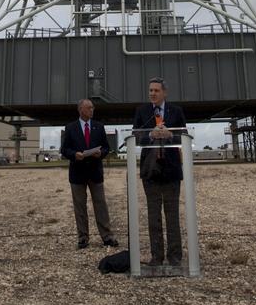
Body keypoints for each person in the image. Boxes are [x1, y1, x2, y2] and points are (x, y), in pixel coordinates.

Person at [131, 77, 187, 267]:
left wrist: (171, 134)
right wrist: (150, 134)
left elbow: (184, 134)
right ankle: (157, 256)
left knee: (172, 216)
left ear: (164, 93)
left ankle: (175, 256)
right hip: (151, 170)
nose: (152, 93)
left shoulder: (176, 111)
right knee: (153, 216)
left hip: (171, 170)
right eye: (150, 91)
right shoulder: (142, 112)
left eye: (156, 90)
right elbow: (135, 136)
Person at [59, 98, 119, 249]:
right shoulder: (70, 128)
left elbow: (106, 147)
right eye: (89, 108)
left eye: (92, 108)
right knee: (80, 207)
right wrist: (75, 155)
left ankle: (107, 236)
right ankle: (83, 237)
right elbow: (64, 150)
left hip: (95, 172)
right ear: (80, 110)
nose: (92, 110)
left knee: (101, 205)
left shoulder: (99, 127)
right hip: (77, 173)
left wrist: (101, 153)